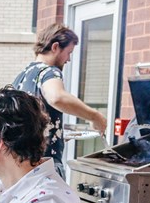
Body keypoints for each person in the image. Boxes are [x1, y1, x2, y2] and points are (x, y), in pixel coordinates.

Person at [12, 23, 108, 177]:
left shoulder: (23, 76)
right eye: (69, 52)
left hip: (22, 164)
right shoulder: (48, 71)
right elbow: (56, 97)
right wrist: (94, 116)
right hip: (44, 165)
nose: (68, 60)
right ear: (55, 47)